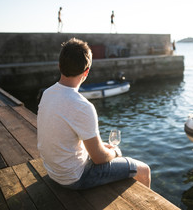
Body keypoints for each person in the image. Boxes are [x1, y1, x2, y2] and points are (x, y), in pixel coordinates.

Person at [37, 38, 151, 190]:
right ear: (86, 71)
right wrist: (115, 152)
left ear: (60, 66)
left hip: (53, 172)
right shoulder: (83, 106)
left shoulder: (47, 94)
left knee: (103, 149)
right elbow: (99, 159)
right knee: (144, 170)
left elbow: (64, 136)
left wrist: (100, 147)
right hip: (75, 178)